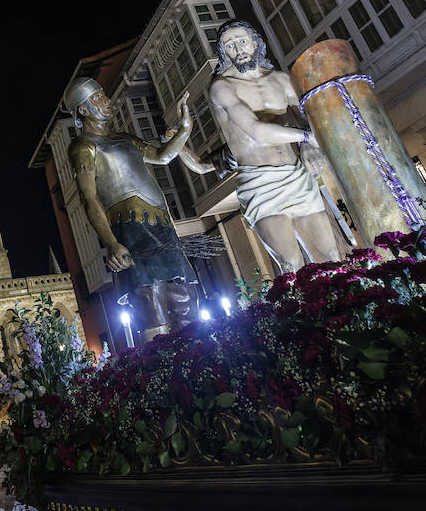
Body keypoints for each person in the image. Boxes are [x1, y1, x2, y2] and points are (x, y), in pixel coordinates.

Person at [64, 77, 196, 340]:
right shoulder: (83, 146)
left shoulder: (126, 139)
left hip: (161, 225)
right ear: (83, 109)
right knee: (151, 305)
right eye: (98, 98)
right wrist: (111, 242)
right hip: (130, 230)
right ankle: (163, 373)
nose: (107, 101)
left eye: (104, 95)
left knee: (185, 300)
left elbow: (162, 156)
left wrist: (184, 130)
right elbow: (88, 197)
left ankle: (204, 365)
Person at [207, 19, 342, 272]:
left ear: (256, 42)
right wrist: (305, 138)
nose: (238, 49)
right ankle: (299, 310)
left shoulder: (281, 79)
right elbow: (258, 132)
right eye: (229, 45)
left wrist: (309, 146)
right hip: (261, 183)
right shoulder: (222, 87)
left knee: (330, 256)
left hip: (296, 178)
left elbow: (311, 114)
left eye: (242, 41)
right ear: (223, 52)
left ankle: (347, 310)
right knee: (291, 264)